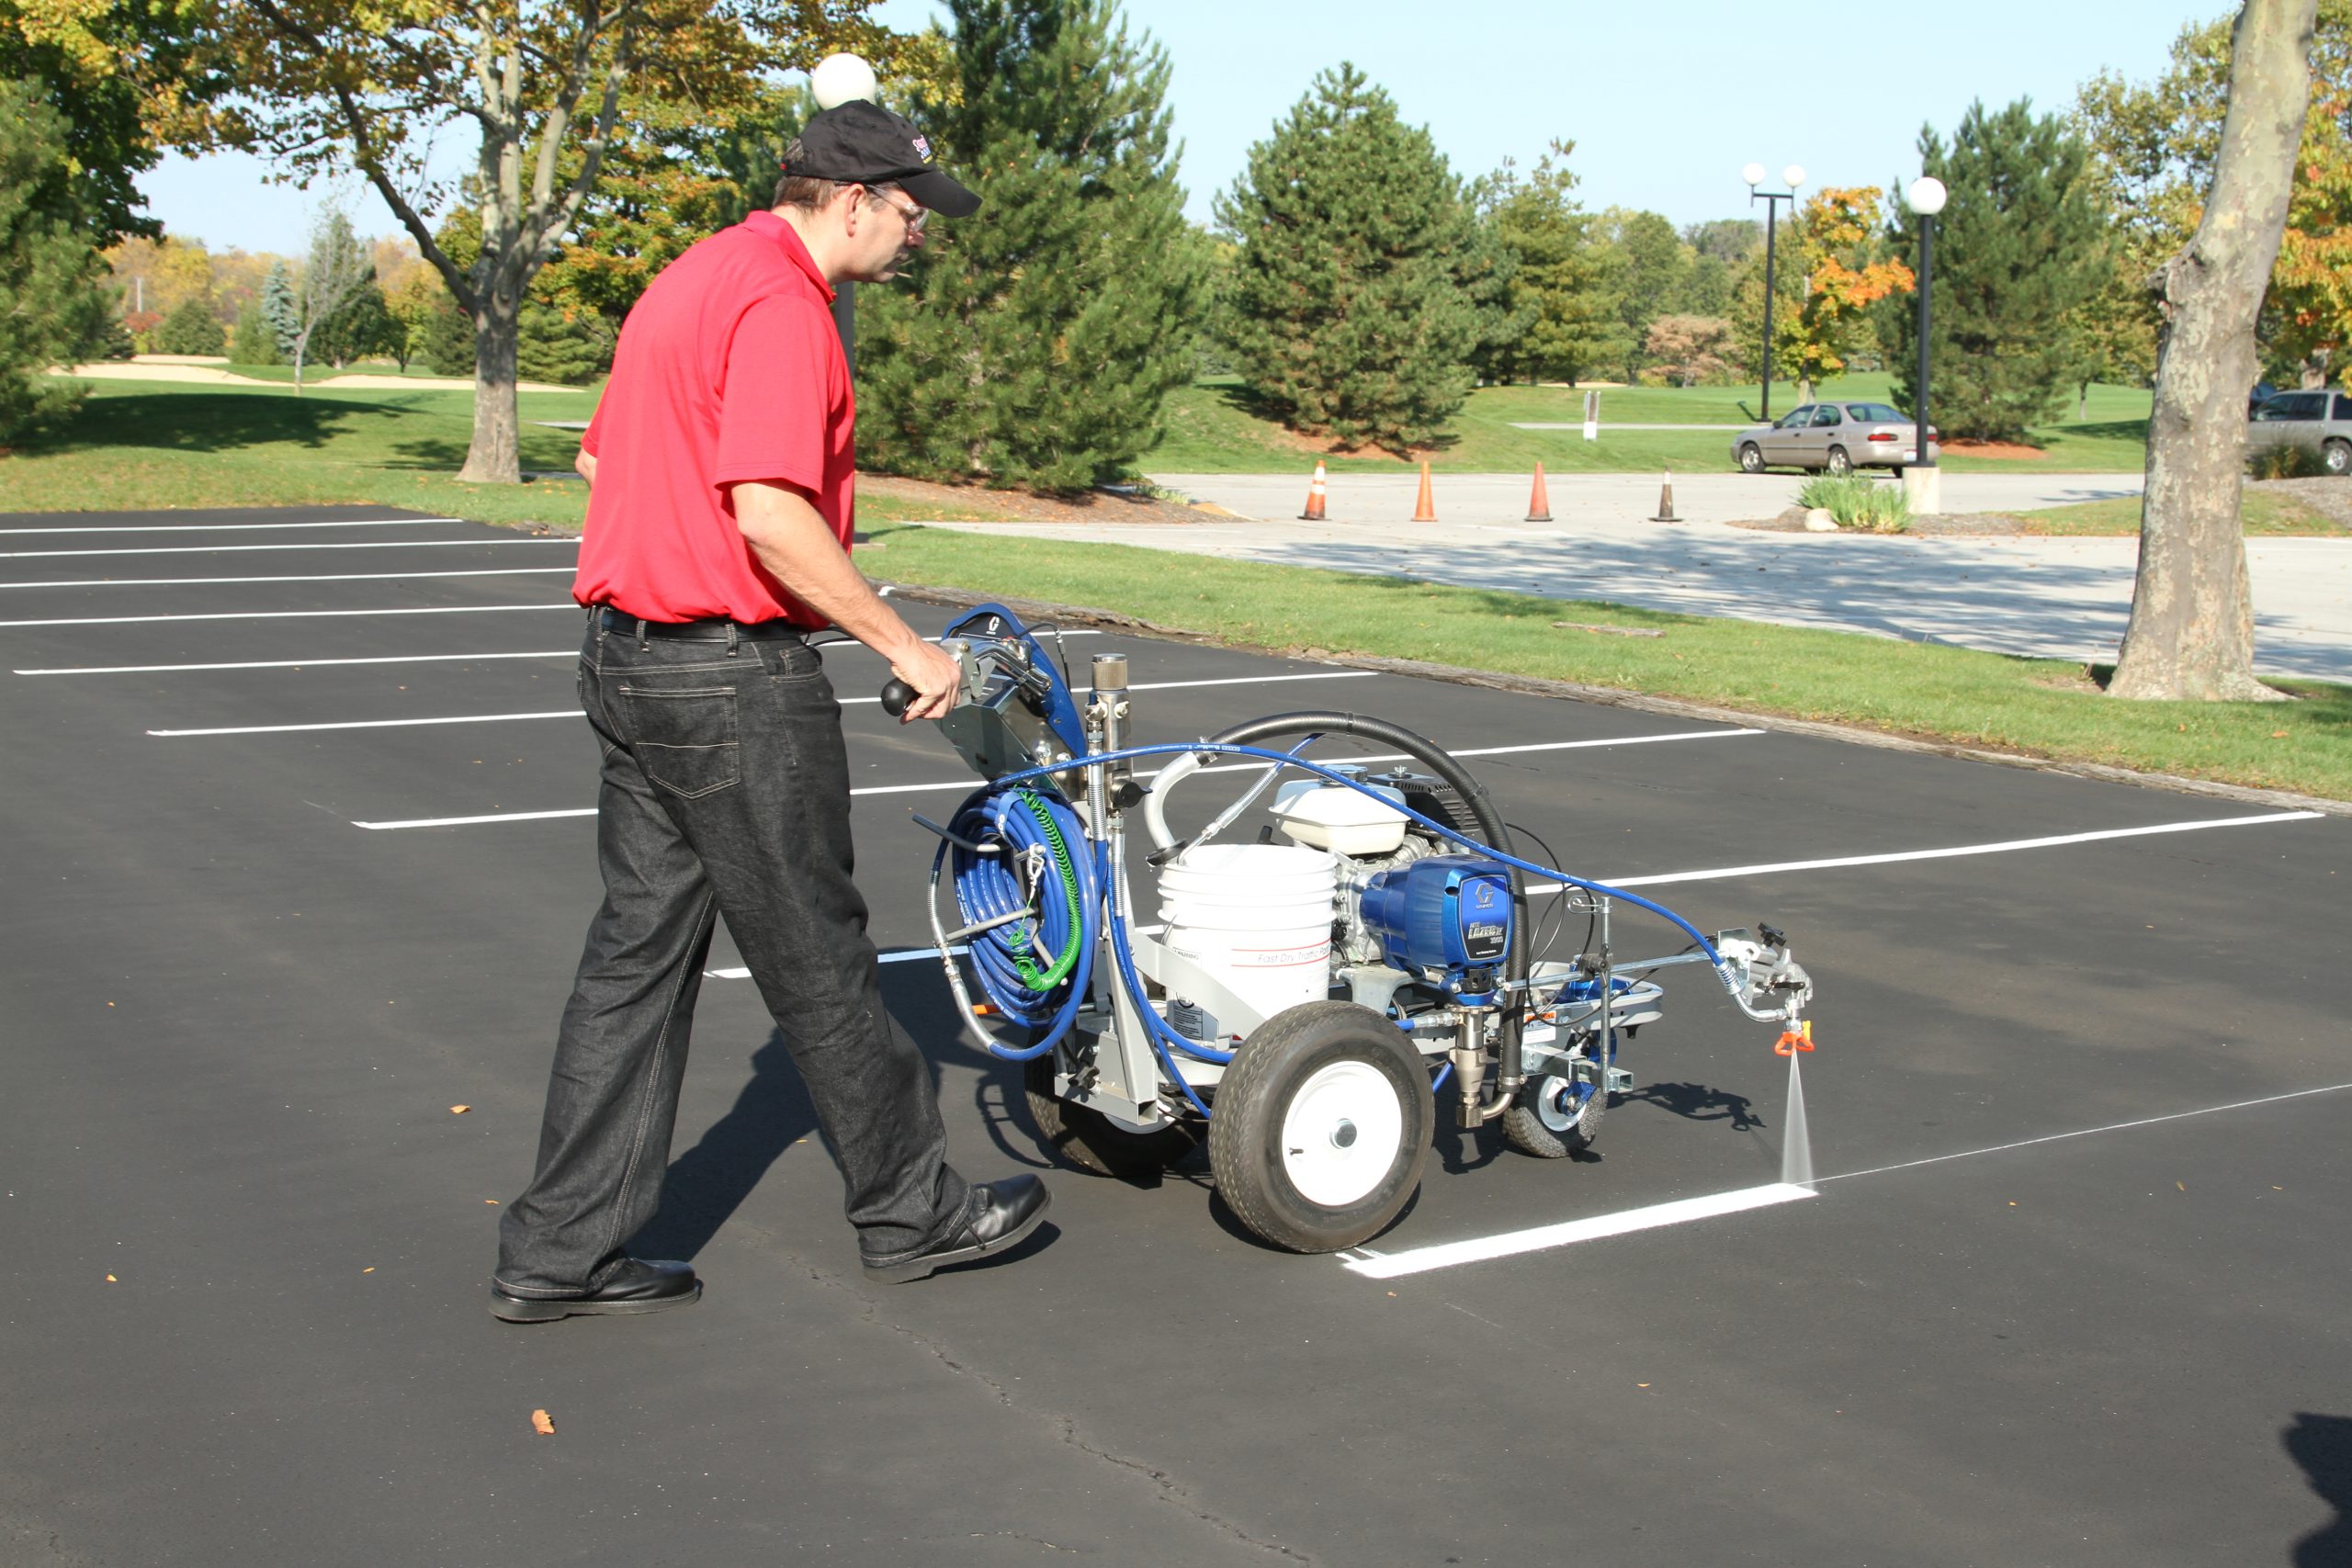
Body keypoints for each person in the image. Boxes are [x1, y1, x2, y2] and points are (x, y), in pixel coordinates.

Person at [490, 101, 1049, 1323]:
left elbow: (604, 461)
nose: (914, 238)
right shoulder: (788, 307)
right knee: (820, 954)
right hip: (729, 680)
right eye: (909, 216)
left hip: (627, 660)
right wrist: (907, 646)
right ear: (851, 201)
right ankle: (914, 1210)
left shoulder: (691, 278)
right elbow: (771, 511)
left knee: (633, 962)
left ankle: (558, 1251)